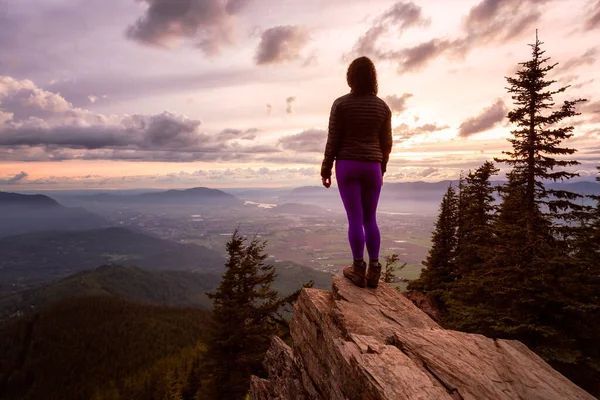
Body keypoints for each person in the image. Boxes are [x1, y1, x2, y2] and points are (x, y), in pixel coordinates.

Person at [320, 56, 393, 289]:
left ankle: (358, 269)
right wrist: (381, 166)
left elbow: (333, 139)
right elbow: (387, 143)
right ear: (373, 78)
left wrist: (326, 168)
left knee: (355, 219)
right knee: (370, 219)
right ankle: (374, 272)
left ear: (350, 77)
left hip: (347, 165)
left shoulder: (341, 104)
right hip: (373, 166)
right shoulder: (382, 107)